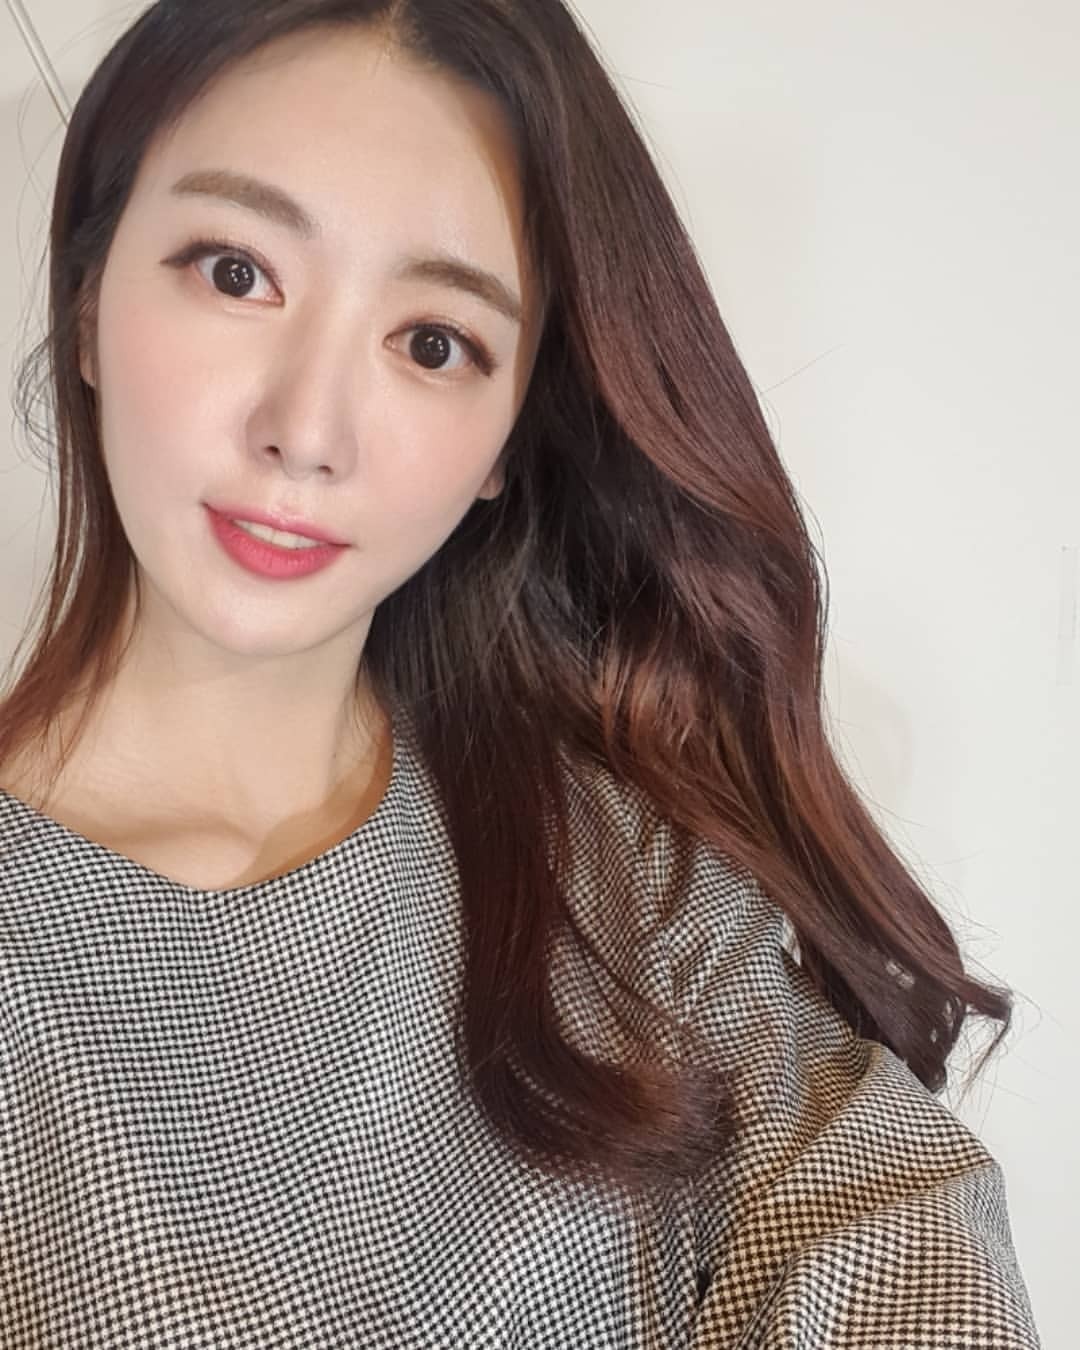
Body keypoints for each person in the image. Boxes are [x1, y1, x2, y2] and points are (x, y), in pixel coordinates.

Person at [0, 0, 1040, 1345]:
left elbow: (892, 1224)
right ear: (88, 300)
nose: (306, 429)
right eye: (236, 271)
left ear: (504, 442)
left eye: (433, 343)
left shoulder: (622, 877)